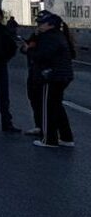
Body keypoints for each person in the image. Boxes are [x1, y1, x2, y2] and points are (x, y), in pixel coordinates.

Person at [28, 10, 76, 148]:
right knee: (57, 106)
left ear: (51, 24)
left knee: (48, 108)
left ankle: (49, 139)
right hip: (61, 75)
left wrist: (29, 50)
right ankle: (66, 137)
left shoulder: (49, 37)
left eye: (42, 23)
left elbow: (43, 56)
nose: (39, 25)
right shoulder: (59, 35)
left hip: (51, 76)